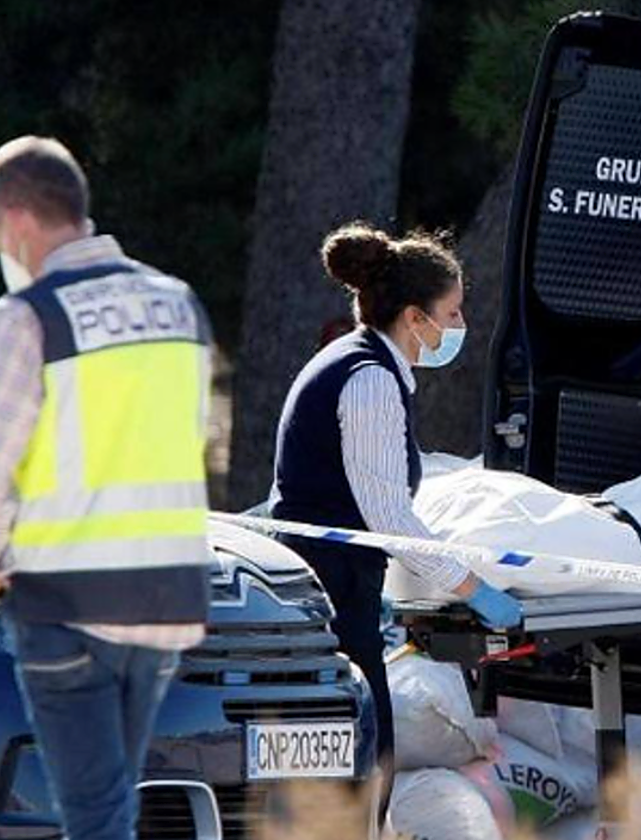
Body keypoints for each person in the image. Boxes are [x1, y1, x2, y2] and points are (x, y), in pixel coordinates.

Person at [0, 136, 214, 840]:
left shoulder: (28, 316)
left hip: (66, 603)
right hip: (166, 600)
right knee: (114, 808)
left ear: (16, 221)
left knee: (96, 819)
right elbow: (183, 445)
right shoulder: (180, 306)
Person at [268, 222, 523, 773]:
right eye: (452, 313)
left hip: (330, 586)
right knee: (367, 759)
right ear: (415, 317)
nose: (461, 326)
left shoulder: (351, 362)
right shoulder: (370, 381)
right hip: (331, 594)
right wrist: (476, 590)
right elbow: (389, 520)